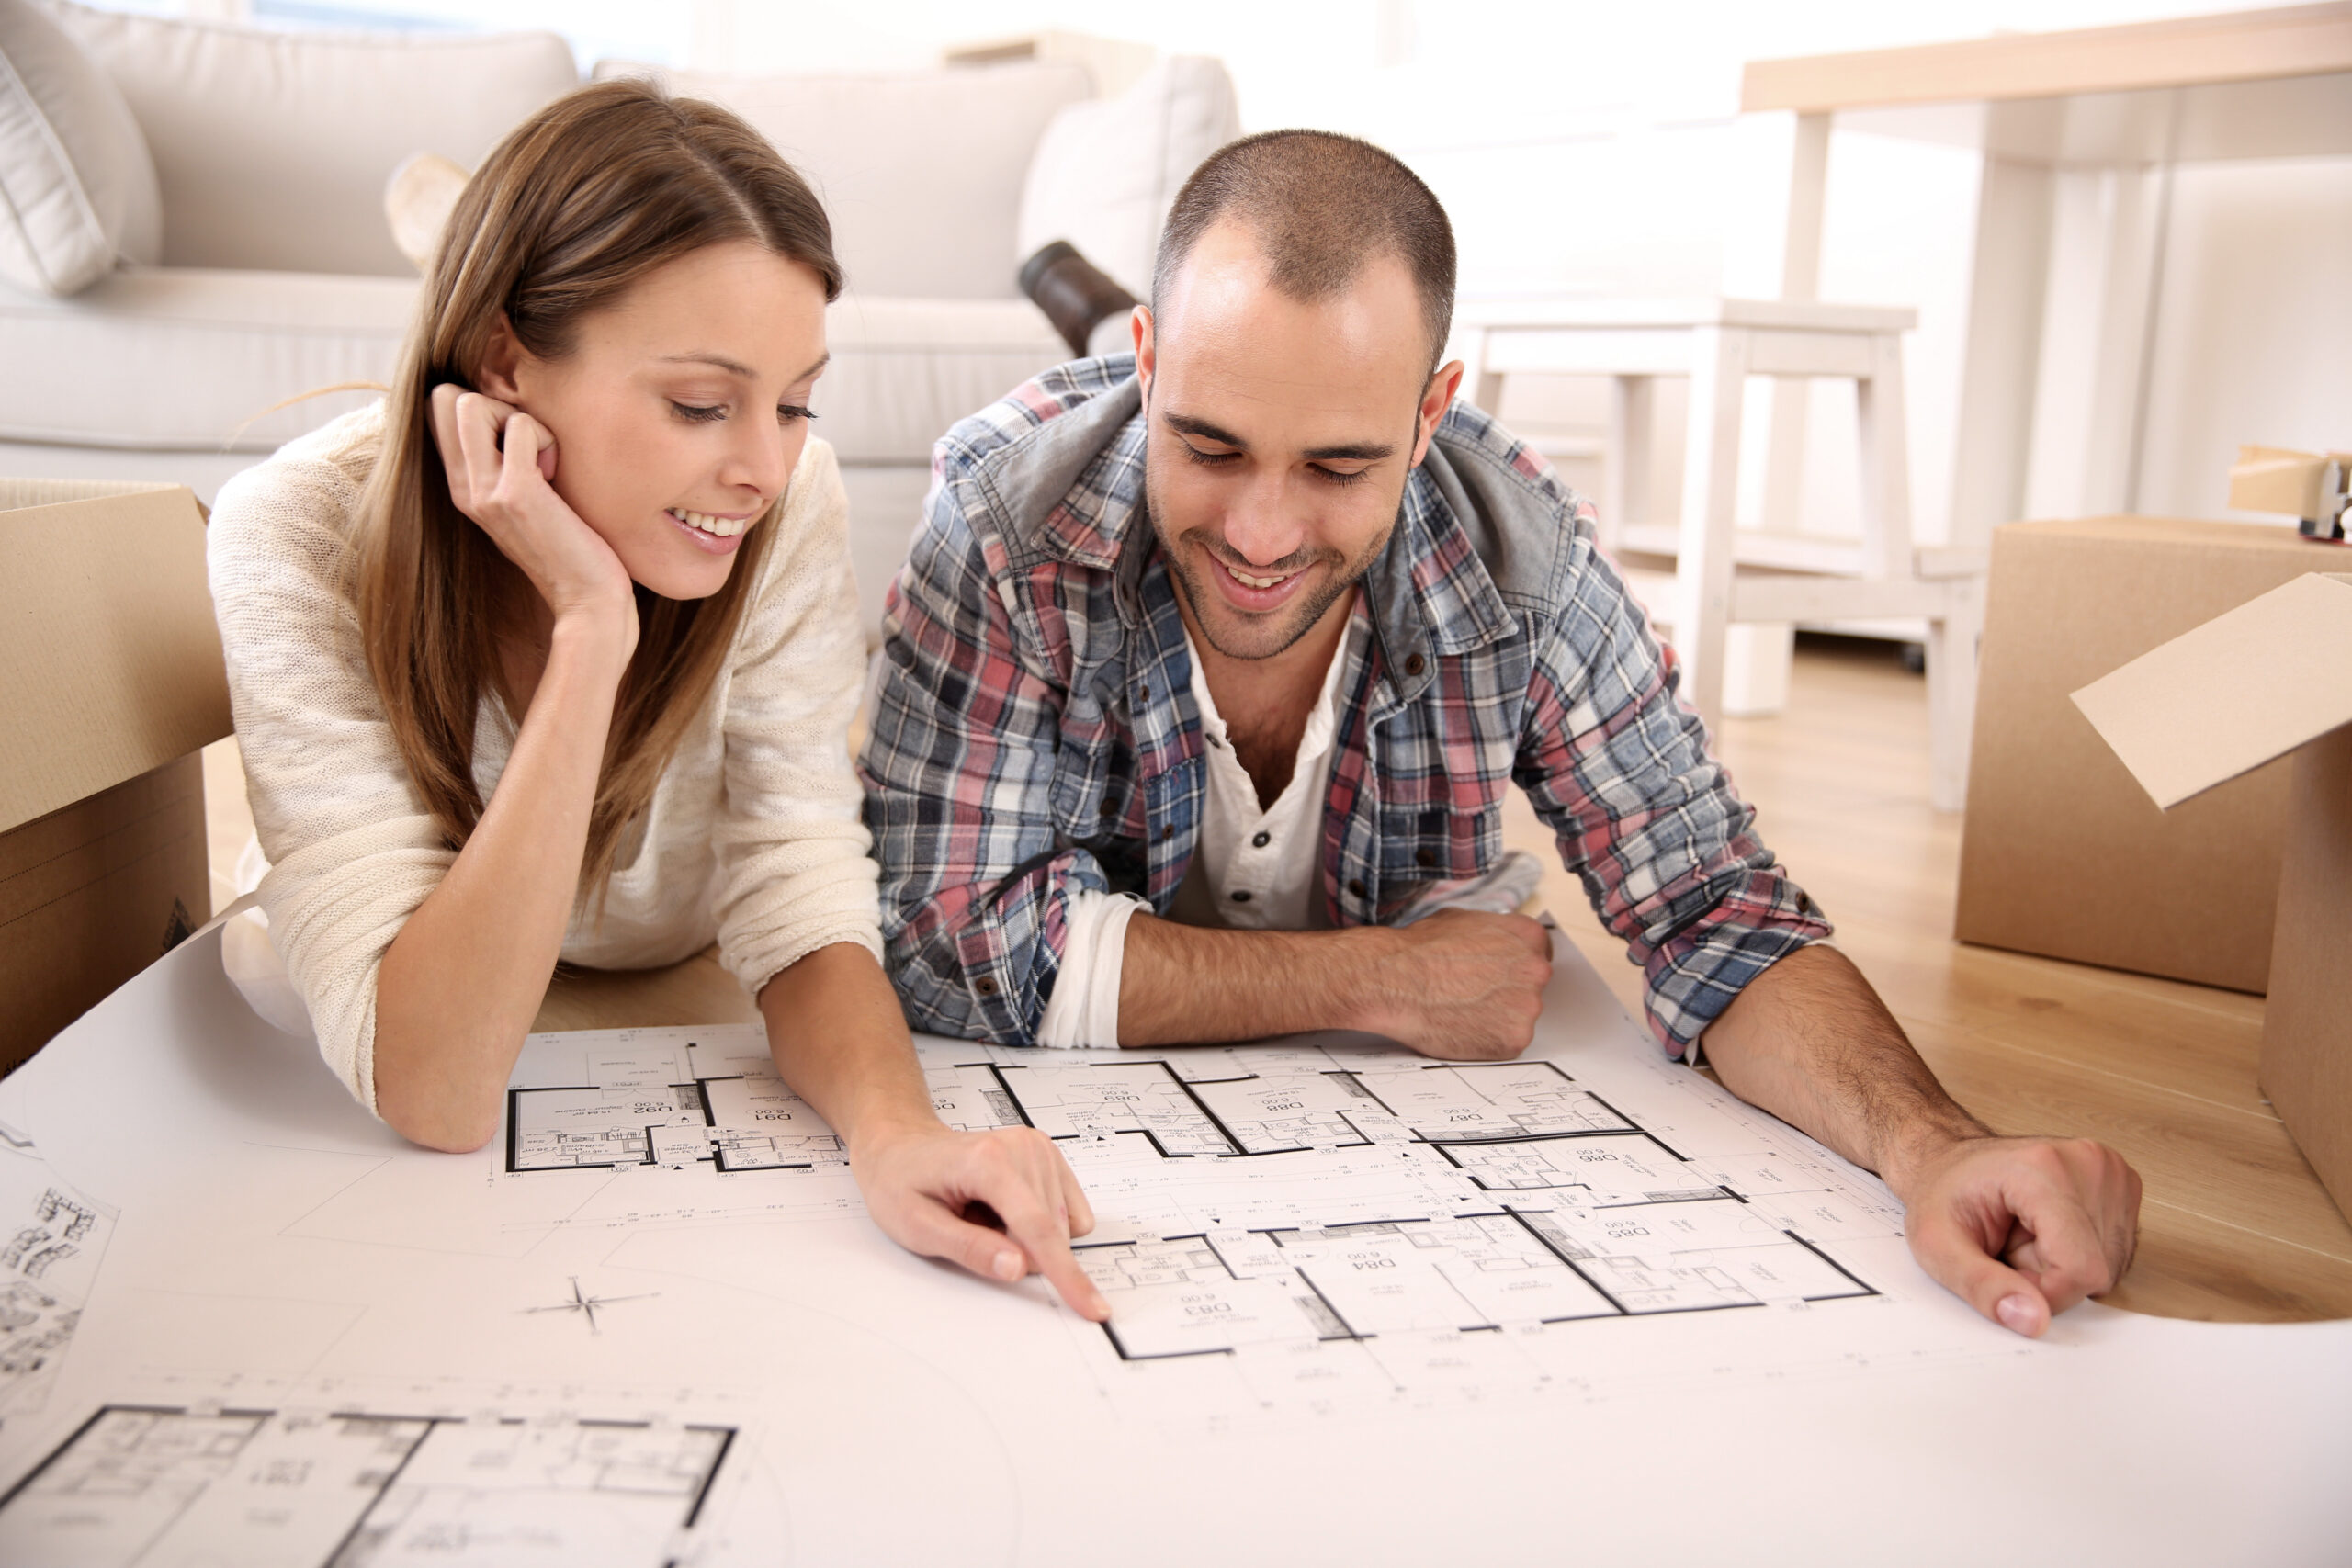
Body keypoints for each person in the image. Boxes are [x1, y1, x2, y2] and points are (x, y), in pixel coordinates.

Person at [861, 130, 2140, 1338]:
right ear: (1149, 364)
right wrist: (1379, 978)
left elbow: (1716, 920)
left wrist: (1937, 1145)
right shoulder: (1002, 518)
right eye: (1209, 443)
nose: (1259, 533)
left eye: (1337, 466)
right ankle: (1082, 303)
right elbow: (945, 944)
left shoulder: (1529, 564)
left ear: (1430, 417)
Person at [209, 81, 1106, 1322]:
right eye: (700, 404)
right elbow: (439, 1089)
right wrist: (590, 633)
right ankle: (459, 235)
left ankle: (484, 244)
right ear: (505, 361)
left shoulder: (789, 498)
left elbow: (796, 881)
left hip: (669, 961)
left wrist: (897, 1135)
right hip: (437, 955)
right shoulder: (292, 533)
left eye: (797, 400)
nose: (762, 467)